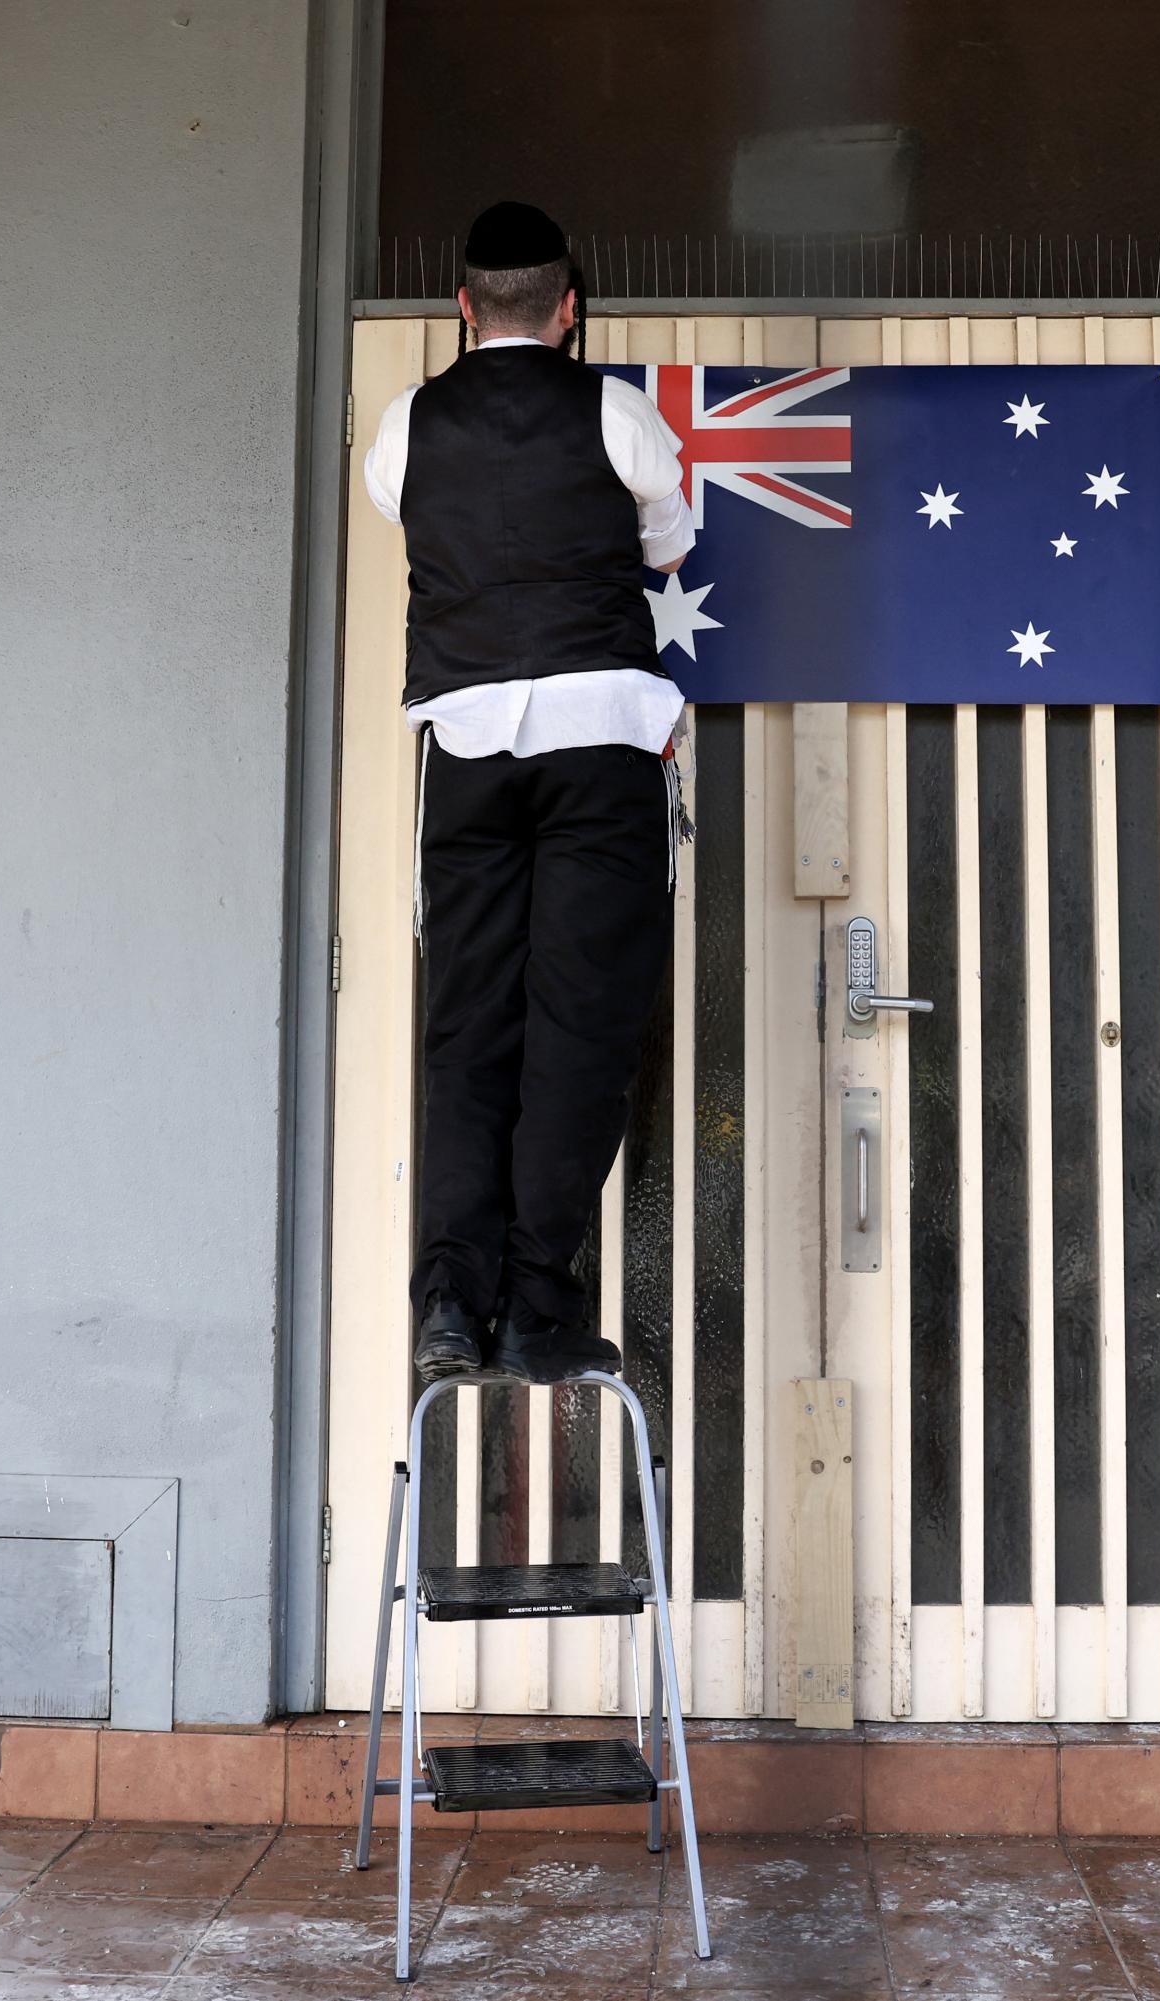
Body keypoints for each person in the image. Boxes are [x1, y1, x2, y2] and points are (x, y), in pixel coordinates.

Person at [361, 199, 694, 1388]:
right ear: (569, 308)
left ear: (462, 307)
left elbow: (410, 516)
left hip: (465, 750)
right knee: (577, 1028)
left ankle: (451, 1303)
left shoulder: (407, 424)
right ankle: (536, 1305)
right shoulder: (615, 412)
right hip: (599, 748)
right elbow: (668, 544)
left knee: (469, 1026)